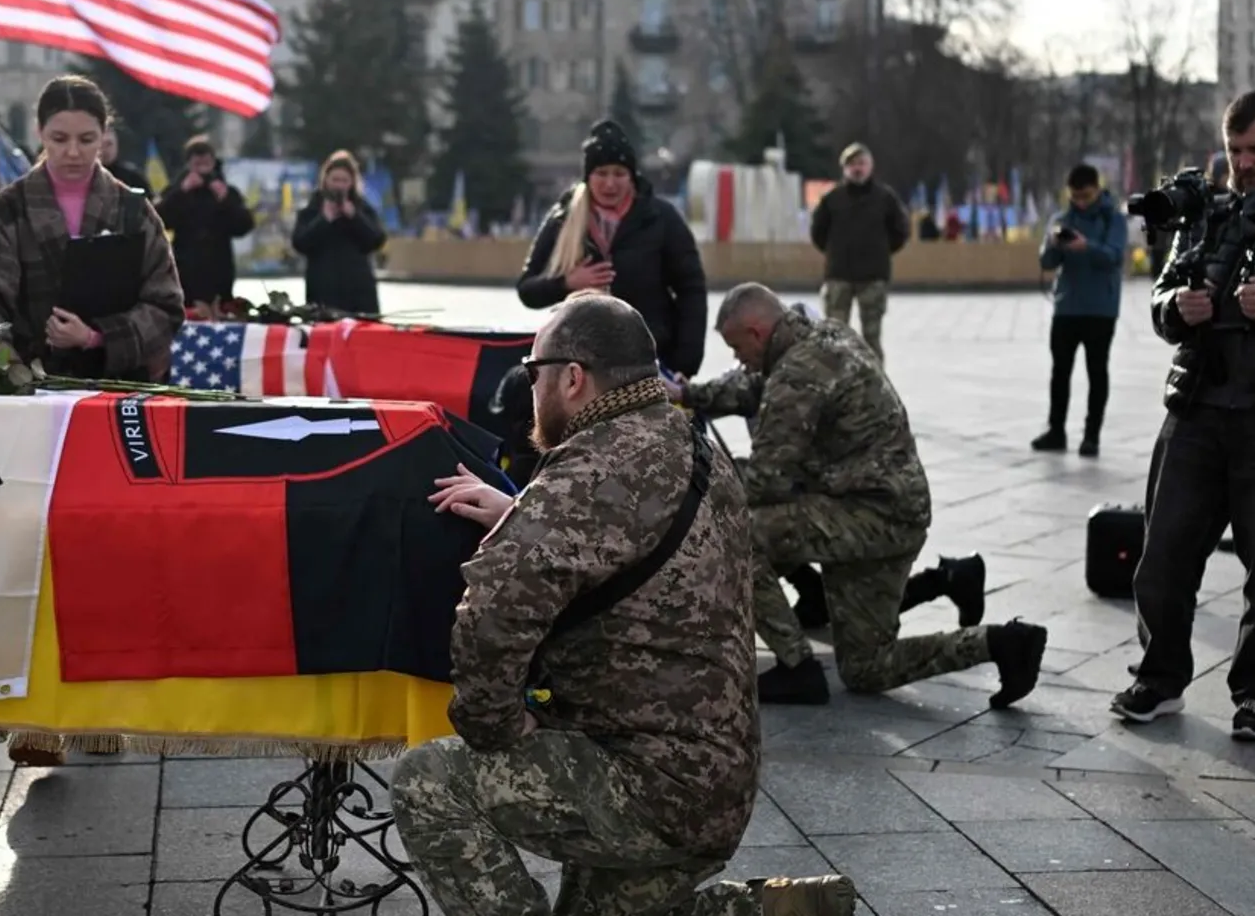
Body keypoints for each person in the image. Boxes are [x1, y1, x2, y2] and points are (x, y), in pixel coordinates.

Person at [393, 293, 856, 916]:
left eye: (534, 374)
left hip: (643, 784)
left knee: (429, 782)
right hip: (715, 781)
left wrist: (500, 725)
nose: (531, 389)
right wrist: (524, 513)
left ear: (574, 379)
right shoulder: (691, 445)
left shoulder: (585, 474)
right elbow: (621, 535)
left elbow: (490, 618)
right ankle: (763, 911)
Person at [672, 283, 1048, 707]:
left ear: (757, 333)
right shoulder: (826, 335)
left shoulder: (796, 374)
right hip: (893, 511)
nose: (738, 360)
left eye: (737, 348)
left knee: (734, 530)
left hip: (867, 517)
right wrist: (687, 395)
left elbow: (766, 483)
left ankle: (797, 667)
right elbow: (752, 386)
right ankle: (1002, 643)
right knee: (866, 668)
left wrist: (702, 482)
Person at [1114, 90, 1255, 742]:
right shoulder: (1208, 212)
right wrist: (1175, 310)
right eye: (1235, 150)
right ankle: (1159, 678)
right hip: (1196, 410)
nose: (1245, 163)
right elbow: (1166, 289)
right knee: (1161, 556)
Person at [0, 74, 184, 384]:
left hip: (119, 395)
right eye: (59, 139)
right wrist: (12, 373)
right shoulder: (7, 210)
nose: (73, 152)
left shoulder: (133, 211)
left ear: (104, 135)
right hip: (28, 399)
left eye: (87, 139)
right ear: (40, 133)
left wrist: (97, 337)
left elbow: (165, 304)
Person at [517, 120, 710, 377]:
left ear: (632, 176)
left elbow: (691, 290)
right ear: (588, 176)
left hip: (649, 358)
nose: (610, 184)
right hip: (581, 363)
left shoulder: (661, 218)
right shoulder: (563, 218)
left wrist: (685, 363)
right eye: (602, 173)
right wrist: (565, 283)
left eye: (619, 174)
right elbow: (527, 289)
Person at [1031, 164, 1127, 457]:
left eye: (1086, 196)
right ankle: (1056, 430)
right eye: (1075, 196)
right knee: (1060, 371)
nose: (1081, 202)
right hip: (1066, 306)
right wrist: (1051, 244)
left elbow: (1114, 256)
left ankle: (1091, 436)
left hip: (1100, 308)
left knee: (1097, 372)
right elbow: (1047, 262)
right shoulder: (1062, 218)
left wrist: (1087, 247)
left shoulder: (1113, 218)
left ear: (1097, 189)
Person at [810, 143, 910, 359]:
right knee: (834, 335)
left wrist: (881, 252)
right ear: (844, 168)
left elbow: (901, 231)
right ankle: (835, 382)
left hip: (873, 276)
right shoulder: (832, 199)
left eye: (862, 163)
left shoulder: (885, 198)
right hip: (839, 275)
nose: (857, 168)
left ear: (870, 166)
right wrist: (834, 253)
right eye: (852, 164)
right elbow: (818, 232)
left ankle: (874, 386)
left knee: (871, 336)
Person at [155, 134, 254, 308]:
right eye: (197, 163)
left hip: (219, 269)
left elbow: (244, 226)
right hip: (184, 269)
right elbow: (159, 220)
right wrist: (181, 192)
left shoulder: (227, 192)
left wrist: (225, 200)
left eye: (206, 162)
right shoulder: (176, 190)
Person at [290, 149, 385, 314]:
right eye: (335, 180)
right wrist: (324, 219)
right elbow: (300, 243)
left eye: (344, 181)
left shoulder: (362, 208)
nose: (339, 185)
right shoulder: (312, 208)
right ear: (325, 180)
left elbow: (376, 240)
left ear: (352, 182)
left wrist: (354, 217)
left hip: (359, 292)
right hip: (323, 291)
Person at [97, 126, 148, 195]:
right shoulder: (86, 177)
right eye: (101, 145)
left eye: (109, 144)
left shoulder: (132, 176)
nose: (105, 150)